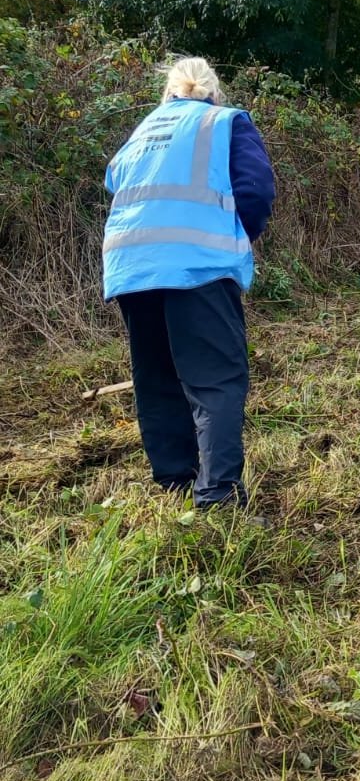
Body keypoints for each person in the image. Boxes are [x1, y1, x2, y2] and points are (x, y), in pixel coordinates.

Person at [102, 56, 275, 508]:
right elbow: (255, 191)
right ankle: (218, 496)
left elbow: (114, 180)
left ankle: (177, 482)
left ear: (170, 93)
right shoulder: (225, 123)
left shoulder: (143, 130)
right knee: (216, 379)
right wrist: (233, 236)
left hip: (132, 265)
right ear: (214, 93)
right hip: (197, 263)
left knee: (157, 375)